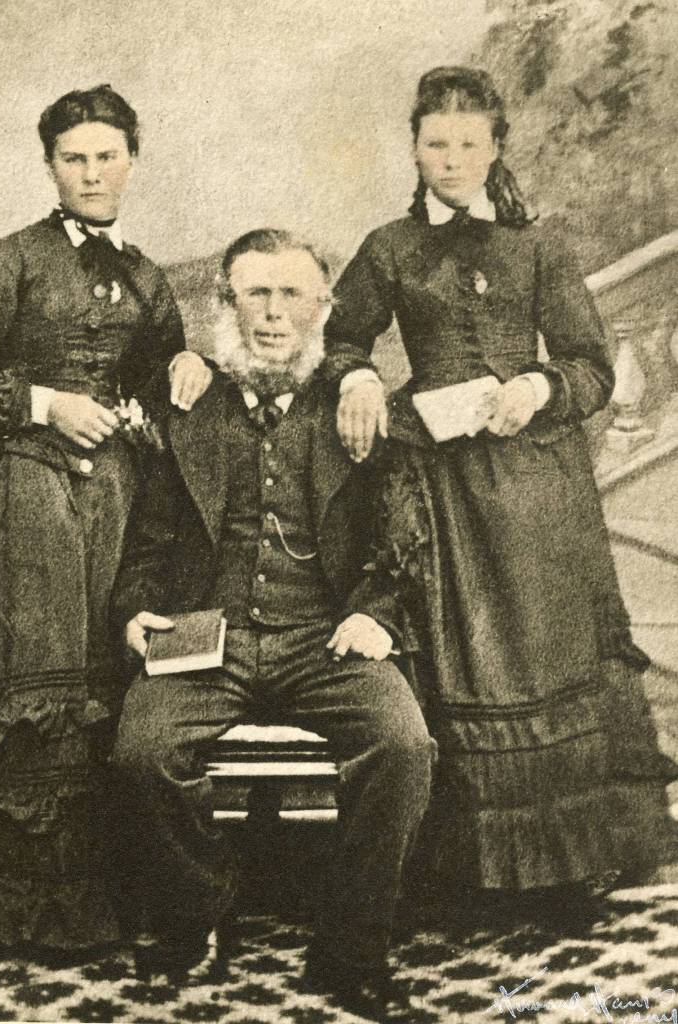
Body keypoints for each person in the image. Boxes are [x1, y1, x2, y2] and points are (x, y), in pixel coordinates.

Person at [326, 66, 678, 903]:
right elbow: (340, 339)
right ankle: (476, 876)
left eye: (468, 143)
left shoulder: (538, 244)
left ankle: (579, 865)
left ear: (495, 149)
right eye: (436, 143)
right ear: (415, 149)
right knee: (468, 660)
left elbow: (592, 367)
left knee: (558, 657)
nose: (451, 159)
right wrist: (359, 378)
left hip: (542, 487)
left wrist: (537, 387)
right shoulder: (390, 247)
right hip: (442, 489)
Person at [0, 84, 211, 948]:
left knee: (106, 674)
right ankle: (5, 917)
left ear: (131, 162)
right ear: (51, 167)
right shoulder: (10, 261)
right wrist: (45, 403)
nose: (92, 173)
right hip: (15, 503)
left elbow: (162, 380)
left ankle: (105, 902)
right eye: (74, 159)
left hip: (112, 512)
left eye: (107, 156)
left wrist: (183, 374)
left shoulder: (146, 277)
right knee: (29, 683)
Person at [111, 228, 433, 1020]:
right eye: (255, 293)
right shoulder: (191, 411)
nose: (273, 313)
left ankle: (351, 945)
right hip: (206, 638)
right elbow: (149, 540)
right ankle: (200, 916)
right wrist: (134, 612)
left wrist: (374, 615)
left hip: (325, 639)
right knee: (141, 753)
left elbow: (403, 536)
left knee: (402, 746)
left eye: (292, 293)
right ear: (225, 304)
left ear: (324, 306)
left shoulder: (358, 409)